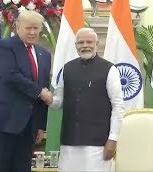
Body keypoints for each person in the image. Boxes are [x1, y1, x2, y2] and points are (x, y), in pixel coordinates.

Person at [0, 10, 53, 172]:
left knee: (22, 167)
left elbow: (44, 86)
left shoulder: (44, 54)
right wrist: (40, 92)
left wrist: (41, 125)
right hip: (3, 122)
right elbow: (10, 75)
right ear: (17, 27)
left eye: (36, 28)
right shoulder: (5, 47)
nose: (33, 32)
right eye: (29, 28)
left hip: (29, 126)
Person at [50, 27, 125, 171]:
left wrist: (113, 139)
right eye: (81, 42)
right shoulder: (67, 68)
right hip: (69, 142)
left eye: (89, 42)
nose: (85, 45)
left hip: (97, 144)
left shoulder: (109, 69)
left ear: (97, 44)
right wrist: (48, 99)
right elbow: (59, 102)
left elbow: (118, 106)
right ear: (76, 46)